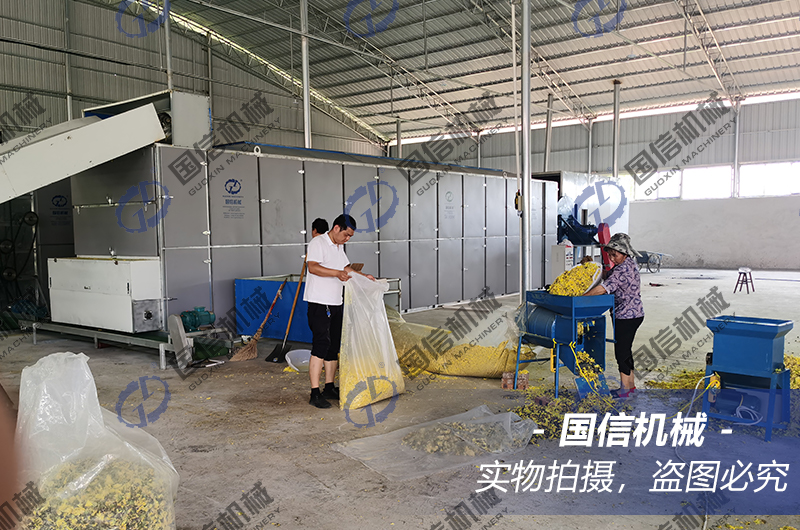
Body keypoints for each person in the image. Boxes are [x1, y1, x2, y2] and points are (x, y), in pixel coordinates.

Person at [304, 214, 374, 409]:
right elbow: (313, 267)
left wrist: (363, 276)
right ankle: (314, 392)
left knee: (333, 345)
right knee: (320, 345)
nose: (347, 239)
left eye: (350, 236)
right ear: (336, 228)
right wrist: (336, 273)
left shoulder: (338, 247)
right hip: (320, 303)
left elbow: (345, 268)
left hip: (335, 302)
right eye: (346, 234)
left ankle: (329, 387)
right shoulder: (318, 243)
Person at [584, 233, 644, 399]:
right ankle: (630, 385)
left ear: (624, 253)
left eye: (614, 255)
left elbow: (603, 288)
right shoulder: (629, 263)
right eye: (609, 255)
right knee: (626, 350)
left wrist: (581, 297)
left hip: (626, 316)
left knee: (621, 352)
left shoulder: (622, 269)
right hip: (636, 313)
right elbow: (609, 276)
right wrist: (592, 268)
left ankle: (624, 390)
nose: (611, 258)